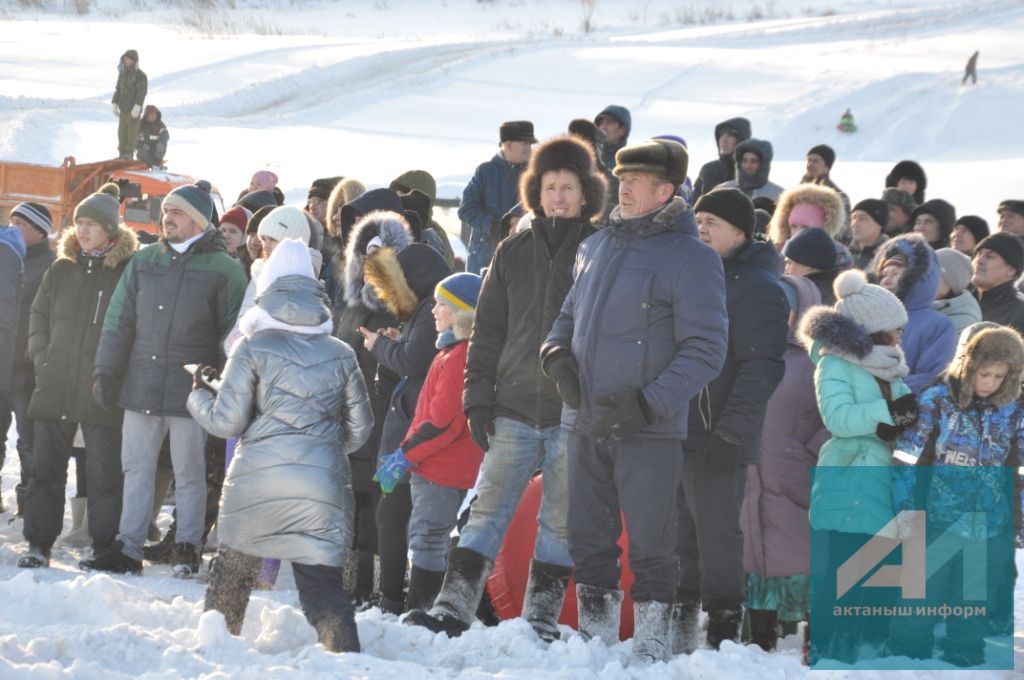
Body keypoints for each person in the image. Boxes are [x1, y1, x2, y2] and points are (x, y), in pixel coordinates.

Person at [406, 135, 605, 641]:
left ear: (586, 194)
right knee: (488, 509)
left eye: (569, 187)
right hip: (512, 406)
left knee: (558, 518)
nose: (559, 196)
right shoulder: (512, 250)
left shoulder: (601, 251)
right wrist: (476, 397)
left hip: (571, 410)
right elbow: (486, 332)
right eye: (550, 186)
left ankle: (540, 617)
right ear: (536, 192)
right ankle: (453, 607)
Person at [541, 138, 729, 663]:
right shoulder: (594, 245)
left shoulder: (692, 258)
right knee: (587, 539)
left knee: (652, 544)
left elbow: (707, 349)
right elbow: (564, 320)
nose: (622, 187)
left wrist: (648, 404)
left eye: (636, 180)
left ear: (666, 190)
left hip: (648, 427)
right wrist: (556, 358)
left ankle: (651, 647)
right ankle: (595, 643)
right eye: (620, 178)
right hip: (584, 420)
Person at [189, 238, 372, 653]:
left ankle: (217, 648)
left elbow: (226, 421)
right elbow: (360, 428)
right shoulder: (341, 353)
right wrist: (323, 447)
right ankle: (346, 657)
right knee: (323, 587)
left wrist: (198, 393)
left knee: (233, 572)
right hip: (320, 487)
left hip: (257, 483)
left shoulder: (251, 348)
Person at [85, 184, 247, 576]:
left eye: (176, 211)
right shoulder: (143, 260)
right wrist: (106, 369)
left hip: (192, 390)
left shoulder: (224, 268)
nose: (167, 217)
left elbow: (235, 336)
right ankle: (128, 547)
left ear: (197, 220)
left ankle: (188, 546)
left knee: (189, 472)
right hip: (140, 382)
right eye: (166, 210)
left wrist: (226, 386)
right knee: (136, 469)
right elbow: (118, 320)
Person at [674, 187, 789, 651]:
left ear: (740, 233)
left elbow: (761, 367)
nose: (700, 228)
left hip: (721, 431)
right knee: (679, 532)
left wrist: (732, 430)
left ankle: (722, 626)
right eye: (698, 219)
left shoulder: (760, 287)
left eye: (712, 223)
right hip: (678, 426)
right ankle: (682, 621)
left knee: (717, 533)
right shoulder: (691, 275)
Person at [885, 325, 1024, 667]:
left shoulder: (1014, 412)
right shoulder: (937, 400)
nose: (989, 382)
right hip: (935, 517)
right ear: (968, 365)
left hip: (987, 522)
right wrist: (906, 514)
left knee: (973, 599)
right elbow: (906, 460)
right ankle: (905, 656)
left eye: (999, 376)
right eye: (984, 373)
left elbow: (1018, 470)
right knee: (920, 597)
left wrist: (1016, 520)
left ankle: (965, 653)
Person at [798, 269, 916, 664]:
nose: (901, 335)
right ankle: (829, 643)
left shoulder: (893, 367)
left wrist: (911, 417)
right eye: (895, 328)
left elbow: (904, 416)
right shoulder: (833, 365)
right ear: (874, 329)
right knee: (843, 566)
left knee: (887, 564)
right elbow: (838, 418)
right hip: (849, 477)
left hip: (888, 481)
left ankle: (873, 639)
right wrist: (889, 412)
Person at [17, 193, 138, 568]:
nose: (83, 230)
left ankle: (103, 544)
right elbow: (38, 314)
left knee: (103, 471)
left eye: (92, 224)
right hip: (54, 382)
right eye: (79, 223)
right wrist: (41, 354)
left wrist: (113, 372)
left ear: (110, 230)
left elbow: (132, 327)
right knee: (45, 468)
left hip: (99, 388)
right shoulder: (61, 267)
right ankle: (39, 543)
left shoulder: (124, 272)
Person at [373, 272, 483, 615]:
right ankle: (419, 610)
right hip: (435, 465)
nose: (433, 311)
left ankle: (421, 610)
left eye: (441, 305)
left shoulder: (459, 356)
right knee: (426, 538)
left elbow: (443, 423)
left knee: (429, 540)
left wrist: (404, 456)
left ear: (460, 312)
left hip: (441, 468)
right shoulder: (448, 352)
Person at [359, 243, 451, 613]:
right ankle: (391, 595)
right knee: (390, 512)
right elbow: (416, 356)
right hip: (402, 433)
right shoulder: (425, 309)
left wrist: (379, 346)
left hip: (409, 438)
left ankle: (393, 598)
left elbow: (414, 362)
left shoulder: (430, 311)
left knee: (392, 514)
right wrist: (396, 342)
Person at [740, 275, 826, 654]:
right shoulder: (747, 348)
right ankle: (759, 633)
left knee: (801, 551)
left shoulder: (818, 358)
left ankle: (814, 631)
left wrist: (806, 449)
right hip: (750, 470)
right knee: (755, 549)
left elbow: (837, 416)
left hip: (795, 473)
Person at [333, 210, 412, 605]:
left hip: (393, 432)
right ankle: (350, 583)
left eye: (382, 255)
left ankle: (384, 588)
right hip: (353, 426)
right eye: (367, 255)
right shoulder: (349, 310)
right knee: (352, 505)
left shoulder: (407, 312)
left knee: (386, 511)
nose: (372, 265)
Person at [2, 202, 56, 516]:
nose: (13, 227)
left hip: (27, 368)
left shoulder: (51, 264)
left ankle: (28, 500)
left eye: (20, 222)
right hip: (0, 362)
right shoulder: (4, 256)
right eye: (12, 220)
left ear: (39, 231)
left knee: (29, 440)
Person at [871, 234, 958, 393]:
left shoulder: (938, 325)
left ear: (916, 277)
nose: (887, 280)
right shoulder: (867, 318)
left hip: (905, 410)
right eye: (884, 274)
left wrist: (883, 392)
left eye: (896, 273)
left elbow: (932, 376)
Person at [459, 121, 535, 274]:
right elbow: (466, 209)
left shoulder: (536, 174)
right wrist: (492, 226)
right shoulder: (485, 172)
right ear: (508, 145)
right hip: (483, 257)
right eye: (524, 143)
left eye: (530, 143)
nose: (528, 148)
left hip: (520, 258)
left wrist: (518, 219)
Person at [970, 232, 1024, 334]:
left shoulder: (1020, 313)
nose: (979, 260)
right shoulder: (959, 301)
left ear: (1011, 270)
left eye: (990, 256)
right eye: (978, 254)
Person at [768, 183, 846, 251]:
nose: (797, 233)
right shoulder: (773, 255)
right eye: (793, 226)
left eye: (805, 228)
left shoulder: (837, 258)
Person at [693, 117, 751, 199]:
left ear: (742, 139)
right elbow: (694, 206)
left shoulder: (750, 172)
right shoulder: (708, 170)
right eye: (721, 134)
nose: (724, 139)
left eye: (731, 135)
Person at [782, 228, 842, 306]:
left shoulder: (804, 297)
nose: (785, 270)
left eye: (789, 263)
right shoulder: (837, 292)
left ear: (808, 265)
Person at [933, 248, 982, 334]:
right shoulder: (918, 304)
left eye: (933, 273)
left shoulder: (964, 323)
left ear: (950, 283)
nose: (924, 279)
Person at [716, 138, 783, 201]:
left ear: (763, 165)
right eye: (745, 160)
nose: (748, 166)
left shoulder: (779, 196)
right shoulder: (722, 190)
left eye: (754, 161)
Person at [112, 49, 147, 160]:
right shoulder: (122, 74)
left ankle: (129, 153)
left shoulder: (140, 75)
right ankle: (122, 153)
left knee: (132, 133)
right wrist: (115, 102)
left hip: (134, 111)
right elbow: (118, 89)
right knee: (121, 133)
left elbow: (142, 92)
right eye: (124, 59)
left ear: (134, 61)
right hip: (124, 109)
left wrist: (138, 105)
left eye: (128, 59)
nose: (125, 61)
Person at [848, 199, 889, 270]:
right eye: (854, 218)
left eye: (862, 218)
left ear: (879, 224)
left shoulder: (889, 255)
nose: (855, 224)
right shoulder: (844, 254)